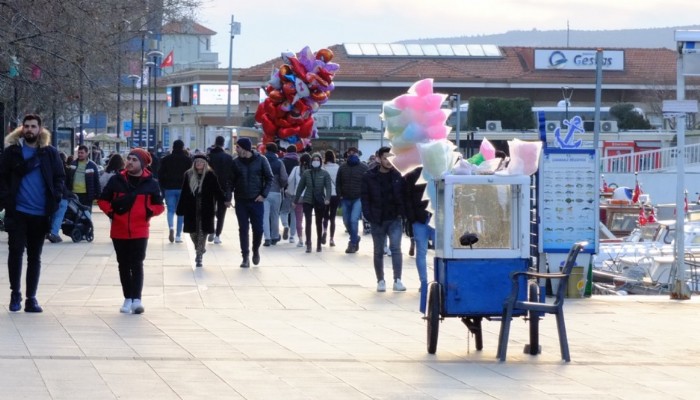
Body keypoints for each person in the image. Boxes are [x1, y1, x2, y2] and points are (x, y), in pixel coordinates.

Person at [0, 114, 65, 312]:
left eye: (33, 126)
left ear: (40, 129)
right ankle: (15, 294)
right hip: (17, 212)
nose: (29, 129)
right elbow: (1, 178)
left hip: (40, 213)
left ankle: (31, 298)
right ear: (22, 128)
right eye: (26, 126)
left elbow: (59, 176)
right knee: (15, 254)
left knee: (35, 257)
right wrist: (6, 200)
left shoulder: (49, 153)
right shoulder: (12, 152)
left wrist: (56, 196)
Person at [98, 148, 164, 314]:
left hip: (140, 230)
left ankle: (137, 299)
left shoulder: (151, 183)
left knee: (137, 264)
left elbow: (159, 206)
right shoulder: (116, 180)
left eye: (134, 160)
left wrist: (148, 211)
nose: (130, 162)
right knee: (123, 264)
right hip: (119, 230)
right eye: (129, 158)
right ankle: (127, 298)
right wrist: (111, 213)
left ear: (142, 163)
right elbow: (102, 200)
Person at [361, 146, 406, 292]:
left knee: (396, 249)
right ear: (379, 158)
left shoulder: (398, 175)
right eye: (386, 157)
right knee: (378, 251)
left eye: (391, 157)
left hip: (394, 218)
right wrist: (369, 215)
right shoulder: (369, 176)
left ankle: (397, 280)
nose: (388, 161)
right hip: (377, 218)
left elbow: (404, 195)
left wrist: (402, 212)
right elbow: (365, 198)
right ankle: (380, 280)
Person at [228, 138, 272, 268]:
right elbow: (230, 181)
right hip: (241, 200)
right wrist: (228, 196)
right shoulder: (235, 162)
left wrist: (263, 194)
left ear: (245, 148)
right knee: (243, 229)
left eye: (238, 147)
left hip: (256, 200)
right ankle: (245, 256)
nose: (236, 149)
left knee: (258, 229)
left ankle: (255, 250)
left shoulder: (262, 160)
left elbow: (269, 178)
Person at [176, 155, 226, 267]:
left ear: (205, 164)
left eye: (201, 162)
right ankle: (200, 248)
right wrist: (180, 208)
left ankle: (199, 256)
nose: (198, 163)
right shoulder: (188, 175)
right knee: (192, 232)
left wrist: (224, 200)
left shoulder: (210, 175)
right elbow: (184, 192)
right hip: (191, 208)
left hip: (206, 208)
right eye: (196, 161)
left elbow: (217, 190)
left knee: (203, 232)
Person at [404, 166, 435, 308]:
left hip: (435, 218)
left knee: (440, 251)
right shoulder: (413, 175)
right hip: (420, 218)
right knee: (421, 251)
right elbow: (407, 197)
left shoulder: (439, 172)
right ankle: (423, 282)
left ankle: (438, 282)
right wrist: (412, 217)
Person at [294, 153, 331, 253]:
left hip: (319, 200)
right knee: (308, 222)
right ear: (311, 161)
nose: (316, 161)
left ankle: (319, 244)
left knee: (318, 222)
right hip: (308, 199)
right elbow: (300, 187)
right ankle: (308, 243)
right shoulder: (306, 173)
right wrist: (295, 200)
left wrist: (327, 198)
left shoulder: (325, 173)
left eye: (317, 159)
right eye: (314, 159)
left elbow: (328, 187)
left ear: (320, 161)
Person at [158, 139, 192, 243]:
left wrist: (163, 186)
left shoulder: (166, 159)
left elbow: (160, 174)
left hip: (169, 188)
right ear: (182, 147)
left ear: (173, 147)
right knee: (181, 212)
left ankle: (171, 227)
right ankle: (178, 236)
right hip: (183, 189)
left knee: (171, 210)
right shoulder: (188, 160)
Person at [336, 146, 368, 254]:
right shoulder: (342, 167)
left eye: (354, 153)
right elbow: (338, 182)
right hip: (345, 198)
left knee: (354, 220)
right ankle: (355, 237)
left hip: (358, 198)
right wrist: (339, 194)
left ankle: (352, 243)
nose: (352, 154)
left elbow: (368, 183)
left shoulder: (364, 167)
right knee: (346, 221)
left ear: (358, 154)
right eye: (350, 153)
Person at [206, 135, 233, 244]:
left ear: (215, 143)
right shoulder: (228, 157)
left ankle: (211, 229)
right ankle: (217, 235)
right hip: (224, 187)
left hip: (210, 187)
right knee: (222, 212)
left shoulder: (209, 156)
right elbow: (231, 175)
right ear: (223, 144)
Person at [262, 142, 288, 246]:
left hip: (264, 192)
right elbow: (284, 178)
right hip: (276, 192)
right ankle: (274, 236)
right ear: (276, 150)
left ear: (266, 149)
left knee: (264, 215)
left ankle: (267, 238)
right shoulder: (279, 162)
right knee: (275, 215)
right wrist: (281, 185)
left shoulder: (262, 161)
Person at [66, 144, 101, 212]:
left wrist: (98, 195)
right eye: (79, 153)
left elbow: (97, 181)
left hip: (87, 195)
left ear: (87, 153)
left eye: (82, 153)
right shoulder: (73, 164)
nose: (80, 154)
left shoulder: (92, 165)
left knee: (86, 215)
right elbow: (68, 179)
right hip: (74, 194)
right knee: (74, 214)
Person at [47, 152, 72, 243]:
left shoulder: (50, 169)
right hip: (63, 194)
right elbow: (69, 183)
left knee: (53, 214)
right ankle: (54, 233)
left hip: (52, 195)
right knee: (59, 215)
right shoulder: (67, 169)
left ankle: (49, 231)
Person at [287, 153, 310, 248]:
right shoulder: (312, 170)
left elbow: (289, 180)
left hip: (298, 196)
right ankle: (308, 239)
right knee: (309, 219)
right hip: (310, 197)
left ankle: (300, 239)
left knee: (298, 219)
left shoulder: (296, 169)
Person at [279, 145, 299, 243]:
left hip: (286, 190)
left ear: (287, 151)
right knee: (294, 213)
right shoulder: (299, 162)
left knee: (283, 211)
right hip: (297, 191)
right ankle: (292, 236)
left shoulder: (283, 161)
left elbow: (282, 176)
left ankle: (285, 225)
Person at [321, 150, 340, 247]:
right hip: (335, 194)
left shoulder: (323, 168)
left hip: (325, 194)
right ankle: (332, 239)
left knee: (325, 215)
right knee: (333, 217)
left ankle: (324, 231)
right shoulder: (338, 168)